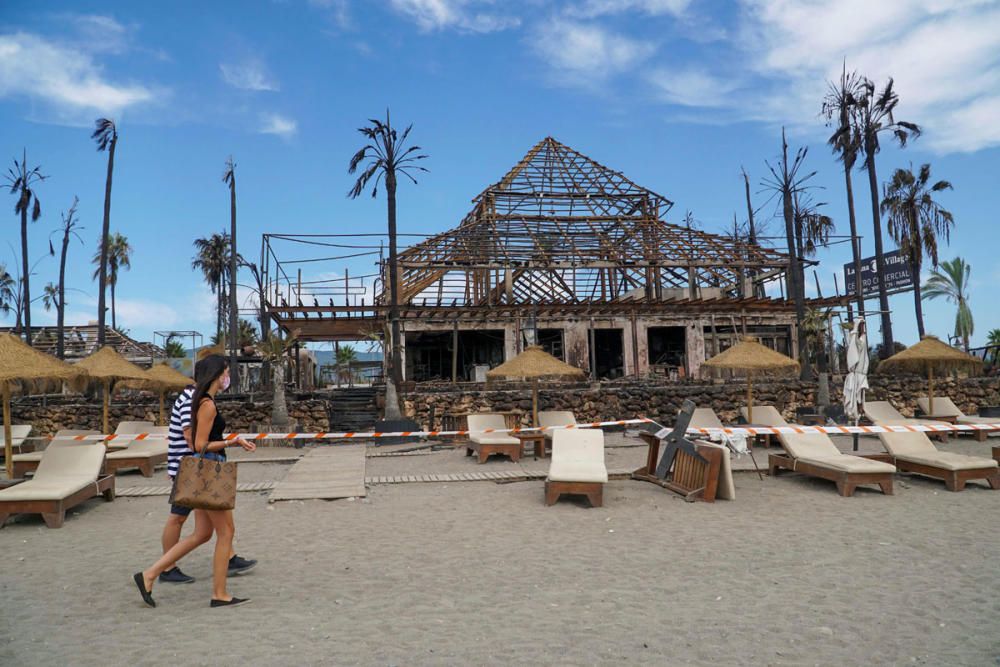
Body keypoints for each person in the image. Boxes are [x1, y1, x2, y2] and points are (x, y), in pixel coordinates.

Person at [135, 356, 256, 608]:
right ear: (216, 375)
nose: (227, 377)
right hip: (209, 469)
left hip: (205, 469)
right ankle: (219, 594)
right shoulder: (207, 404)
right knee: (226, 532)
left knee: (202, 533)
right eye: (225, 372)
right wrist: (232, 442)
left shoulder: (200, 401)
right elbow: (200, 445)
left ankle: (150, 574)